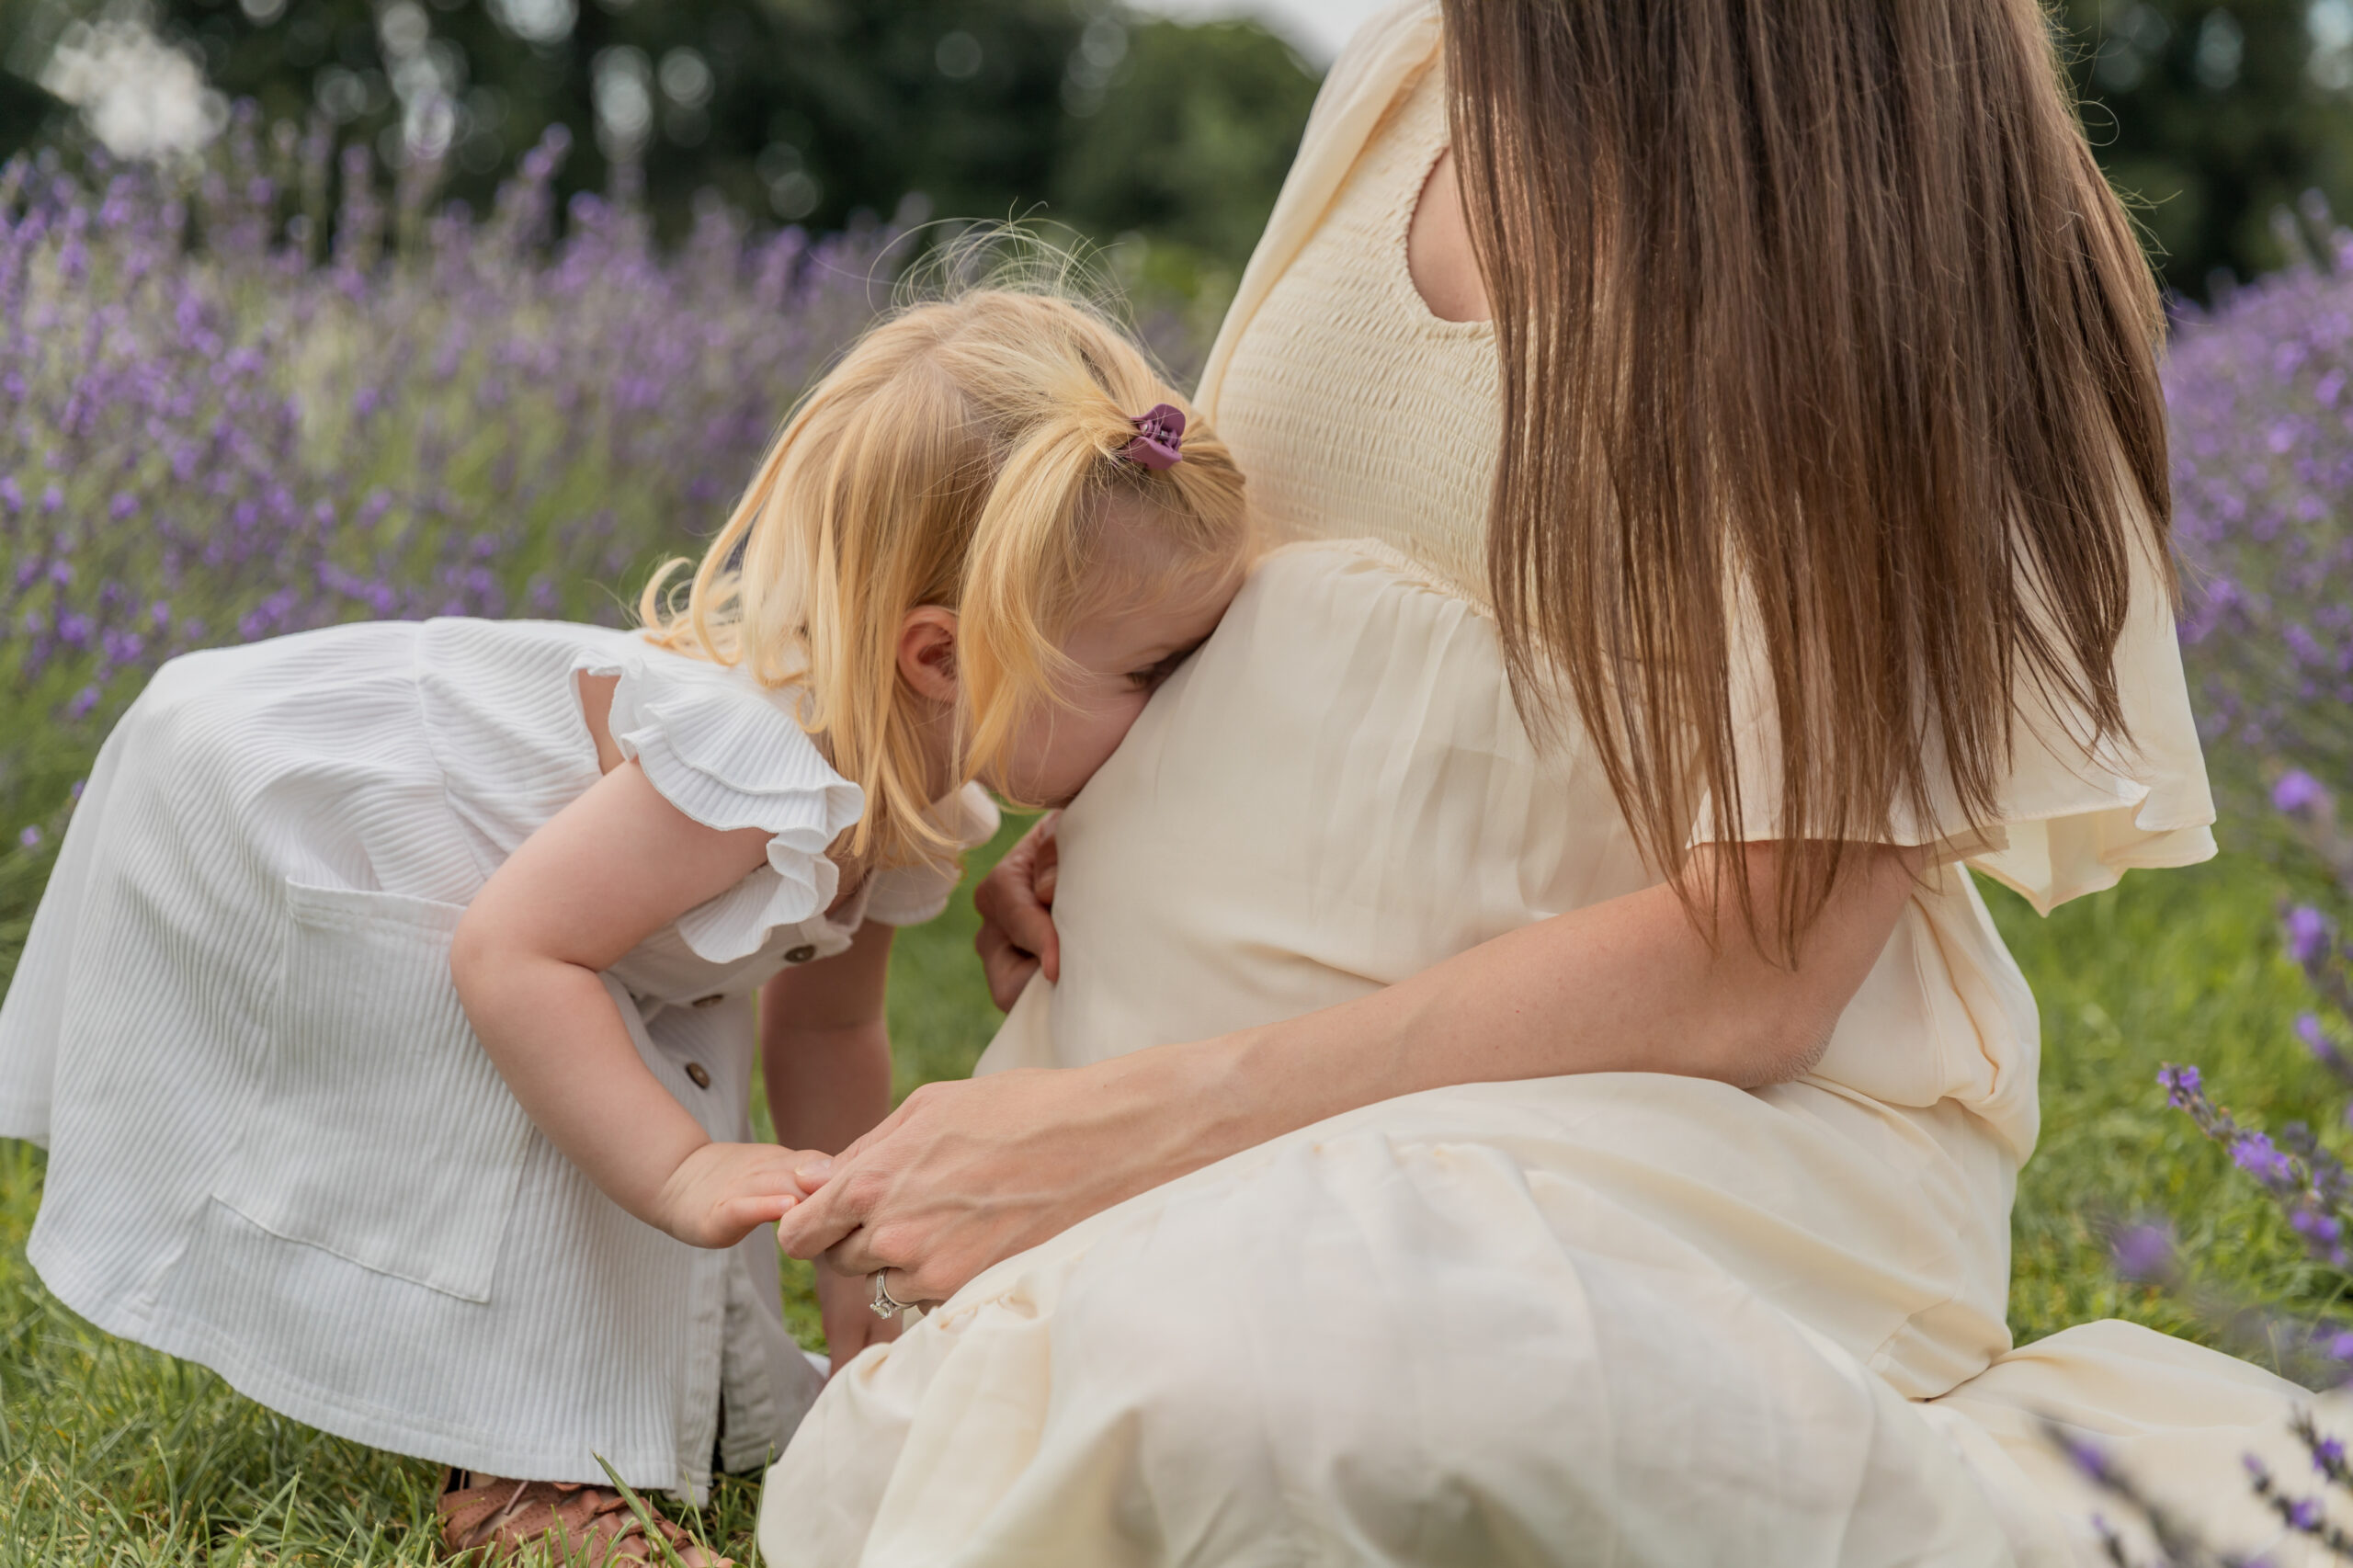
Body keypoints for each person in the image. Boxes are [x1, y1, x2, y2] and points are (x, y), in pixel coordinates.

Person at [755, 4, 2304, 1562]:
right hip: (1190, 1080)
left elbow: (1757, 967)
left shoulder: (1896, 235)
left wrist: (1129, 1129)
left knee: (1275, 1387)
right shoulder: (1407, 78)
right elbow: (1230, 570)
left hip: (1684, 1123)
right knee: (945, 1453)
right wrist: (1107, 812)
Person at [0, 290, 1249, 1565]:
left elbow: (828, 1023)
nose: (1171, 705)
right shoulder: (752, 759)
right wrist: (675, 1170)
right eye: (1149, 673)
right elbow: (510, 952)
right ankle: (522, 1483)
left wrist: (856, 1276)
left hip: (505, 900)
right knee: (560, 1103)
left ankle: (639, 1410)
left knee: (634, 1074)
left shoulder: (916, 795)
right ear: (940, 657)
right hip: (302, 818)